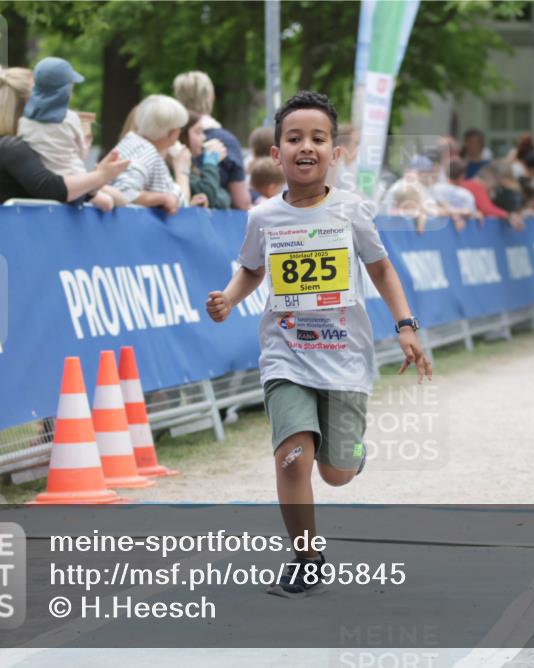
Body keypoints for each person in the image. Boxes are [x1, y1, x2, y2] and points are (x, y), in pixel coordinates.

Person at [205, 90, 431, 598]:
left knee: (337, 473)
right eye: (294, 138)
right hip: (285, 352)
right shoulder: (264, 217)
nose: (306, 147)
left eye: (318, 138)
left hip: (345, 358)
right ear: (276, 153)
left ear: (335, 152)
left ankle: (351, 454)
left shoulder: (351, 211)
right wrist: (229, 297)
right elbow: (251, 268)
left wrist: (406, 326)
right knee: (292, 457)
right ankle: (306, 558)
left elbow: (381, 268)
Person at [0, 66, 130, 204]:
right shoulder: (10, 147)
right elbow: (52, 188)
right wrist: (100, 175)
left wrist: (95, 178)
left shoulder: (22, 148)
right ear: (28, 101)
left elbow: (113, 199)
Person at [15, 57, 122, 212]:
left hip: (47, 181)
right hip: (75, 179)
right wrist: (86, 143)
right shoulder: (71, 118)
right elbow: (81, 154)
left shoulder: (23, 121)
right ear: (65, 90)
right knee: (115, 200)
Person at [173, 70, 250, 210]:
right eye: (197, 132)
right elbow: (241, 202)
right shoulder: (227, 141)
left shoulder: (169, 137)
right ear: (211, 98)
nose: (203, 139)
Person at [109, 94, 193, 214]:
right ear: (171, 133)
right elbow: (124, 191)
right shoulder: (146, 153)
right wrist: (162, 198)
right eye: (180, 129)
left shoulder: (132, 143)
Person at [181, 110, 228, 209]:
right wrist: (211, 162)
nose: (204, 137)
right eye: (198, 132)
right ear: (182, 135)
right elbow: (209, 195)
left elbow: (224, 199)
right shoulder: (173, 169)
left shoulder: (193, 168)